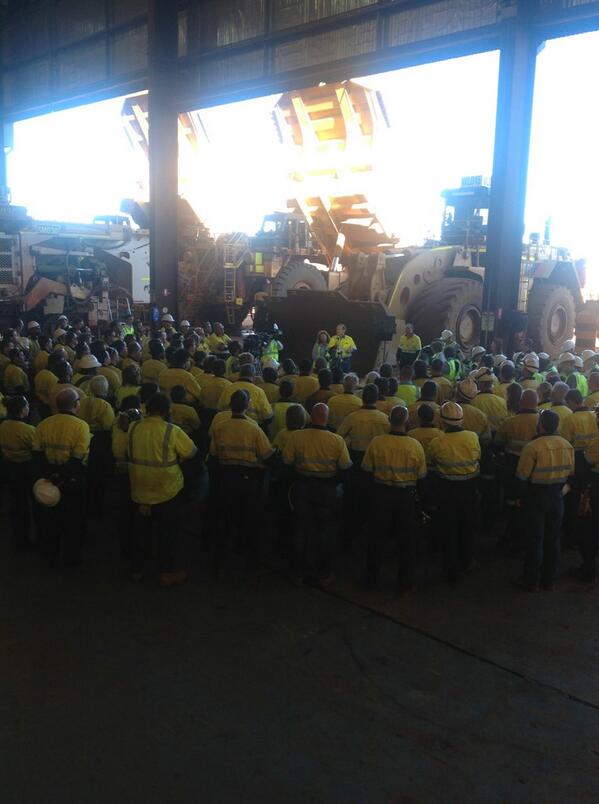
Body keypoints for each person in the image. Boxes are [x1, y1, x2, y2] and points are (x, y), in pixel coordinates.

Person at [128, 392, 196, 585]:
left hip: (139, 487)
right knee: (167, 532)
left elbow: (120, 451)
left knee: (140, 532)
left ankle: (137, 569)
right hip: (167, 489)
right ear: (167, 411)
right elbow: (191, 452)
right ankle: (166, 571)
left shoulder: (133, 428)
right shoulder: (171, 430)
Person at [282, 402, 352, 585]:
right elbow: (345, 467)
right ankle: (323, 573)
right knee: (325, 530)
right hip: (326, 489)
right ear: (326, 418)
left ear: (310, 417)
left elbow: (286, 461)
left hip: (302, 485)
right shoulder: (336, 440)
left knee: (301, 528)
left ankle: (298, 571)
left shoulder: (297, 437)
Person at [361, 404, 426, 592]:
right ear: (407, 422)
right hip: (405, 497)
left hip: (381, 495)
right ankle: (406, 582)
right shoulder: (415, 445)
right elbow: (421, 477)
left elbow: (366, 471)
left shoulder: (377, 442)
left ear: (389, 420)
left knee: (376, 539)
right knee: (406, 541)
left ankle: (371, 579)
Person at [209, 389, 274, 574]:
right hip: (248, 480)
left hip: (225, 478)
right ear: (247, 406)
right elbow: (267, 455)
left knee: (225, 518)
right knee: (248, 519)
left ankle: (219, 559)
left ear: (230, 404)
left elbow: (213, 454)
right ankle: (248, 560)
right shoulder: (254, 428)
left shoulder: (220, 427)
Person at [515, 409, 574, 591]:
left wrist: (519, 497)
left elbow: (522, 476)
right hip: (557, 496)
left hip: (536, 497)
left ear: (540, 425)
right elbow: (570, 474)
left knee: (535, 539)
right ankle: (549, 579)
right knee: (553, 538)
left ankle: (531, 580)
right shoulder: (567, 445)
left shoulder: (533, 447)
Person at [32, 388, 91, 566]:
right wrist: (62, 476)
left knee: (51, 521)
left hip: (49, 478)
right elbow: (77, 458)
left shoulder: (44, 424)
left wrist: (51, 476)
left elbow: (37, 454)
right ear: (76, 405)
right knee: (74, 522)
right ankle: (71, 559)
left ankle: (50, 555)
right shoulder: (81, 426)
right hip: (71, 481)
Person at [429, 401, 481, 585]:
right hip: (469, 489)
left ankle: (451, 570)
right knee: (467, 527)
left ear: (442, 421)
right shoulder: (472, 437)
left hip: (446, 491)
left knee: (448, 531)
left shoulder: (437, 442)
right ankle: (466, 561)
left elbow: (431, 464)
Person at [0, 395, 35, 551]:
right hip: (25, 468)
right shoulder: (28, 430)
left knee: (16, 501)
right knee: (25, 504)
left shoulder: (3, 425)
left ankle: (17, 536)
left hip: (8, 467)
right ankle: (24, 539)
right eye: (27, 406)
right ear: (22, 410)